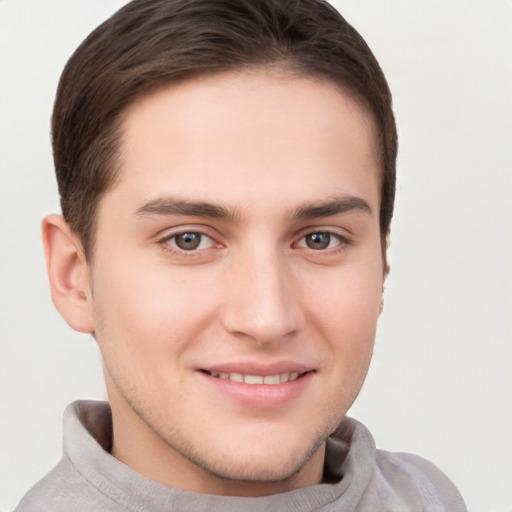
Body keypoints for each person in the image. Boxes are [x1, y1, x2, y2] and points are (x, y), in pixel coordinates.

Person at [15, 0, 467, 510]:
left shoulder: (430, 497)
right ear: (73, 274)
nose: (267, 318)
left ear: (381, 262)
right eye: (189, 239)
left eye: (320, 239)